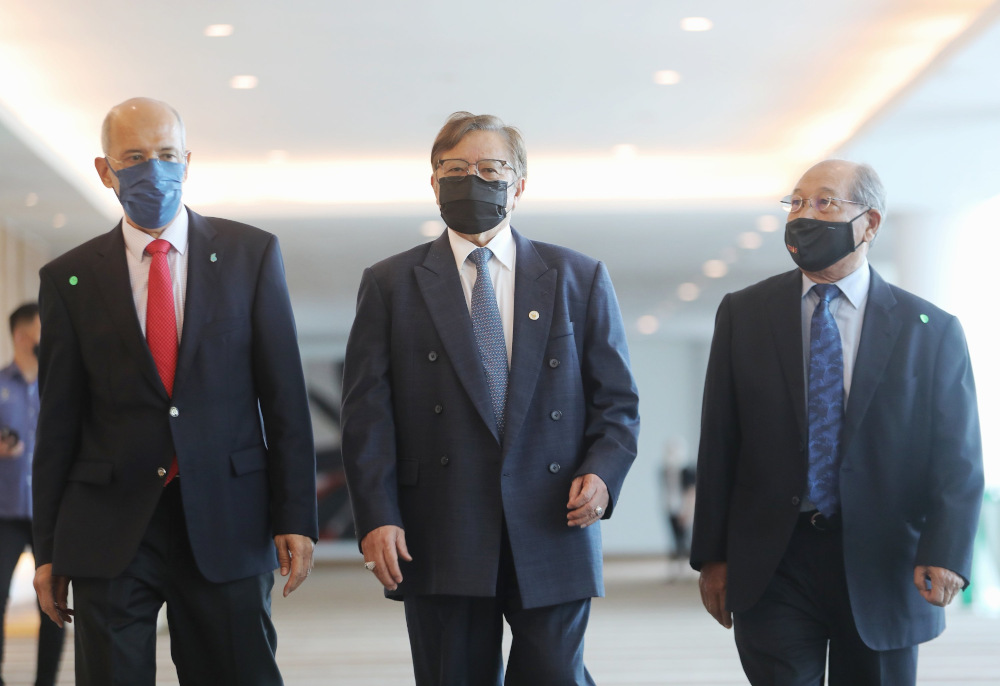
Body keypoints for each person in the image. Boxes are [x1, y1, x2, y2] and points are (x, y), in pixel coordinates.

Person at [341, 112, 640, 686]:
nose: (470, 179)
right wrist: (378, 516)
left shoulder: (577, 276)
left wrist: (603, 475)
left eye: (489, 167)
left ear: (520, 183)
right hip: (438, 526)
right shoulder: (390, 283)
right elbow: (366, 416)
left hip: (554, 520)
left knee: (554, 675)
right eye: (454, 168)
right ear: (432, 183)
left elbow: (617, 402)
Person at [32, 97, 318, 685]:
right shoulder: (69, 279)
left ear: (187, 161)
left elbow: (285, 399)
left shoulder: (250, 255)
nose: (153, 169)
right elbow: (58, 423)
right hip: (110, 526)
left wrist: (296, 514)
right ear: (105, 170)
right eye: (134, 157)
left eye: (165, 155)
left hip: (228, 517)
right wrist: (47, 547)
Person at [690, 159, 984, 685]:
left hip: (884, 558)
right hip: (774, 559)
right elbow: (720, 441)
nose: (805, 214)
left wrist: (946, 550)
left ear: (869, 223)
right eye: (797, 202)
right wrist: (711, 555)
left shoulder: (931, 331)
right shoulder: (745, 314)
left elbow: (956, 455)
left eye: (825, 202)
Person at [0, 303, 64, 686]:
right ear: (23, 337)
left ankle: (46, 683)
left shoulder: (57, 386)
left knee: (54, 602)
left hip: (49, 513)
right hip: (4, 512)